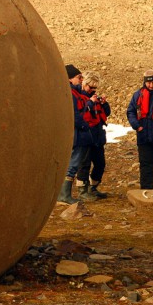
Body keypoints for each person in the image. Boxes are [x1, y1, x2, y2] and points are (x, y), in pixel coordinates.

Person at [57, 64, 94, 204]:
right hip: (77, 135)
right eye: (79, 77)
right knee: (72, 164)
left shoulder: (71, 92)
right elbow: (74, 115)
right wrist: (84, 125)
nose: (81, 80)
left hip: (76, 134)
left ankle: (63, 194)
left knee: (72, 163)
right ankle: (64, 195)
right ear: (70, 79)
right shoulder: (70, 94)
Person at [76, 71, 111, 200]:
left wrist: (104, 104)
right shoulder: (79, 97)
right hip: (85, 137)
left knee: (100, 163)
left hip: (97, 137)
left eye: (94, 88)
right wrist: (90, 103)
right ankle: (82, 191)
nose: (92, 90)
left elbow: (106, 113)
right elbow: (80, 115)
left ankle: (93, 187)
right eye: (90, 87)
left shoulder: (95, 98)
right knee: (84, 164)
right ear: (84, 84)